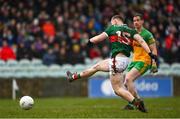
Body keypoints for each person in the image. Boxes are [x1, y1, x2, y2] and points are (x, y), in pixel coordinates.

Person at [66, 15, 156, 113]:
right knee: (98, 67)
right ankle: (74, 76)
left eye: (112, 22)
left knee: (117, 89)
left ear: (115, 21)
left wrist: (88, 41)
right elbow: (141, 41)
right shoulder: (131, 31)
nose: (111, 24)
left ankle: (136, 103)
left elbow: (98, 38)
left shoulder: (113, 28)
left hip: (117, 60)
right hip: (125, 60)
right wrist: (150, 54)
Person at [123, 14, 158, 110]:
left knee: (128, 79)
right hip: (134, 60)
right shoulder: (133, 33)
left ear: (142, 21)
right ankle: (138, 101)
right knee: (126, 83)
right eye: (134, 21)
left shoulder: (147, 34)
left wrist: (154, 63)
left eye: (138, 20)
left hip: (144, 61)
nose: (135, 22)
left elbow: (154, 49)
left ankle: (133, 103)